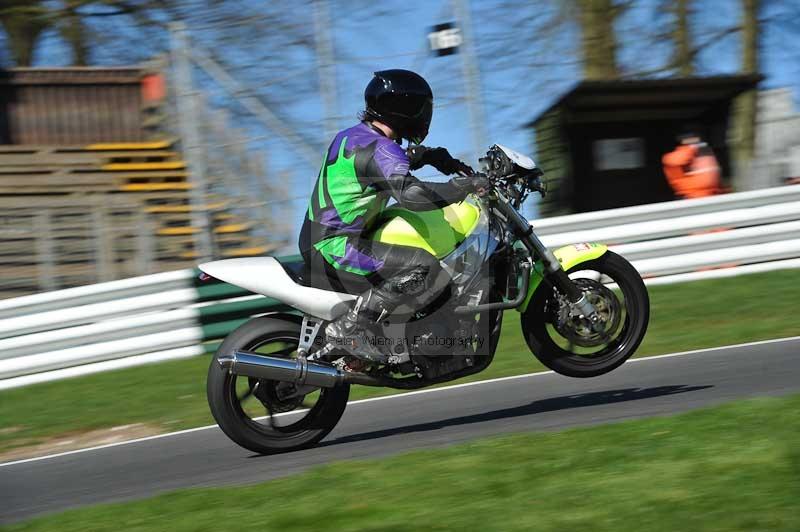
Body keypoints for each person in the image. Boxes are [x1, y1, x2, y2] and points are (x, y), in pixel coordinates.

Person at [298, 69, 489, 356]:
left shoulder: (354, 136)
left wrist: (430, 157)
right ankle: (350, 330)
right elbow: (411, 195)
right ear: (404, 109)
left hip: (323, 238)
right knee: (421, 265)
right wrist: (463, 187)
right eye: (422, 108)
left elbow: (382, 165)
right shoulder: (381, 148)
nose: (426, 115)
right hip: (335, 246)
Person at [662, 132, 722, 199]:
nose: (697, 144)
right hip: (691, 196)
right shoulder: (672, 157)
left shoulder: (702, 153)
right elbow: (678, 160)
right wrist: (690, 148)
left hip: (712, 194)